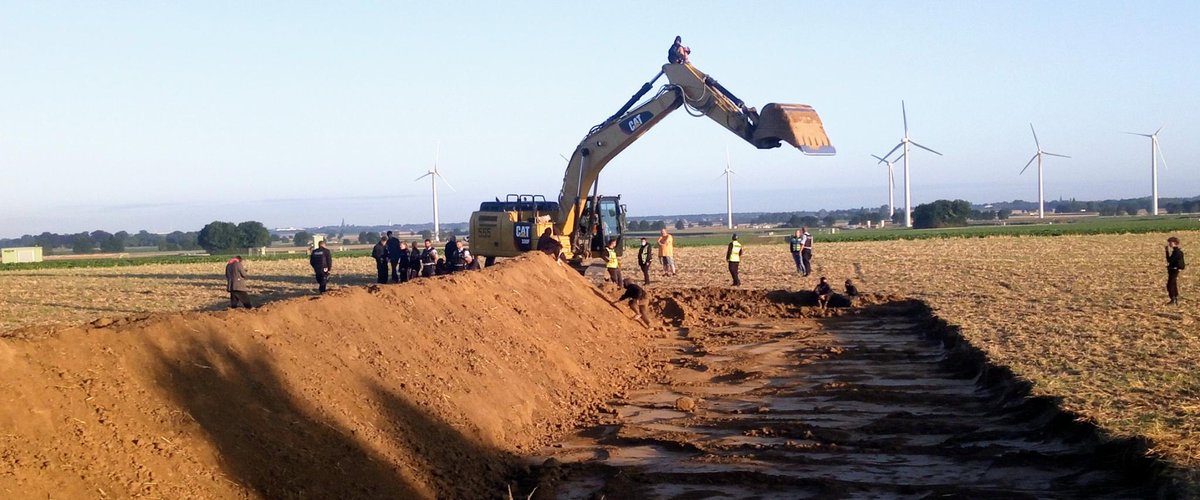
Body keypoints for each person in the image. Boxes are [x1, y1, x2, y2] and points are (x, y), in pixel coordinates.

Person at [1166, 236, 1186, 305]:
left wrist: (1176, 267)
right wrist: (1166, 251)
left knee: (1170, 284)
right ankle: (1175, 298)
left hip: (1174, 270)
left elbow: (1171, 261)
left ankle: (1173, 299)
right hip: (1173, 270)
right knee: (1172, 284)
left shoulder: (1177, 252)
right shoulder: (1175, 251)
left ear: (1175, 243)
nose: (1169, 244)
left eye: (1170, 242)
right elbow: (1169, 260)